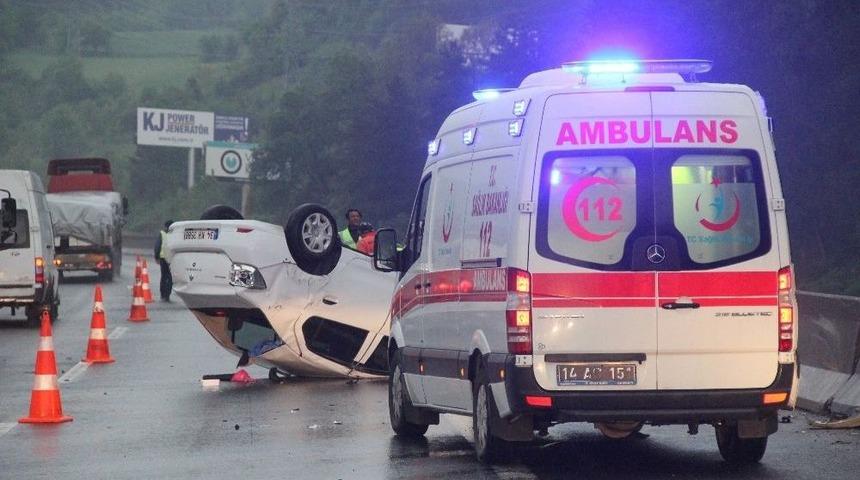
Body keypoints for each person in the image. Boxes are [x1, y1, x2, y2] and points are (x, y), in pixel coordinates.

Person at [154, 220, 173, 302]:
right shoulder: (175, 234)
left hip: (163, 258)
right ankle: (167, 295)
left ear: (165, 226)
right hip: (172, 259)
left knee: (164, 276)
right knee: (170, 277)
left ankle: (163, 295)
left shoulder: (162, 233)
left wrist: (156, 257)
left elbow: (157, 246)